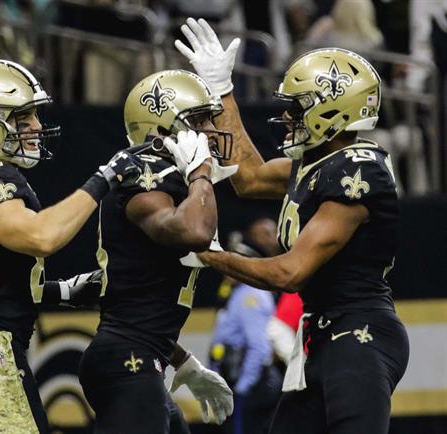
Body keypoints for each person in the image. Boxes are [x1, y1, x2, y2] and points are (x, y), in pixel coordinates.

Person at [175, 18, 409, 434]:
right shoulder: (315, 163)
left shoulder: (358, 170)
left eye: (297, 107)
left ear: (332, 110)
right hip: (322, 334)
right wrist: (221, 89)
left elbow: (290, 272)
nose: (286, 116)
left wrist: (211, 255)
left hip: (359, 333)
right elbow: (247, 178)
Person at [0, 58, 144, 434]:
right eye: (21, 118)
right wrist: (104, 178)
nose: (36, 127)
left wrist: (64, 290)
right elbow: (41, 237)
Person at [78, 69, 234, 434]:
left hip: (144, 352)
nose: (211, 129)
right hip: (127, 358)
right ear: (161, 130)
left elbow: (143, 301)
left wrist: (183, 362)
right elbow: (192, 232)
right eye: (198, 120)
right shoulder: (145, 174)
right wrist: (199, 175)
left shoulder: (173, 181)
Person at [209, 219, 283, 434]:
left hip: (250, 385)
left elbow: (259, 348)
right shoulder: (234, 294)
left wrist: (242, 390)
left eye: (233, 264)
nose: (227, 270)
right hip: (234, 379)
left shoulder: (250, 296)